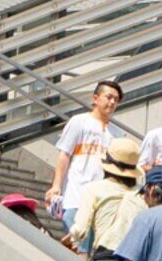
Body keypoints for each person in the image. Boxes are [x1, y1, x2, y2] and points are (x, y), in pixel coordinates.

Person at [46, 81, 131, 252]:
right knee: (78, 249)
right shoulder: (79, 122)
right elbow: (64, 154)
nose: (112, 102)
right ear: (95, 98)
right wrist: (56, 186)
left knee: (88, 253)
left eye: (116, 99)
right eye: (109, 97)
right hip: (75, 198)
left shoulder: (117, 134)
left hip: (101, 204)